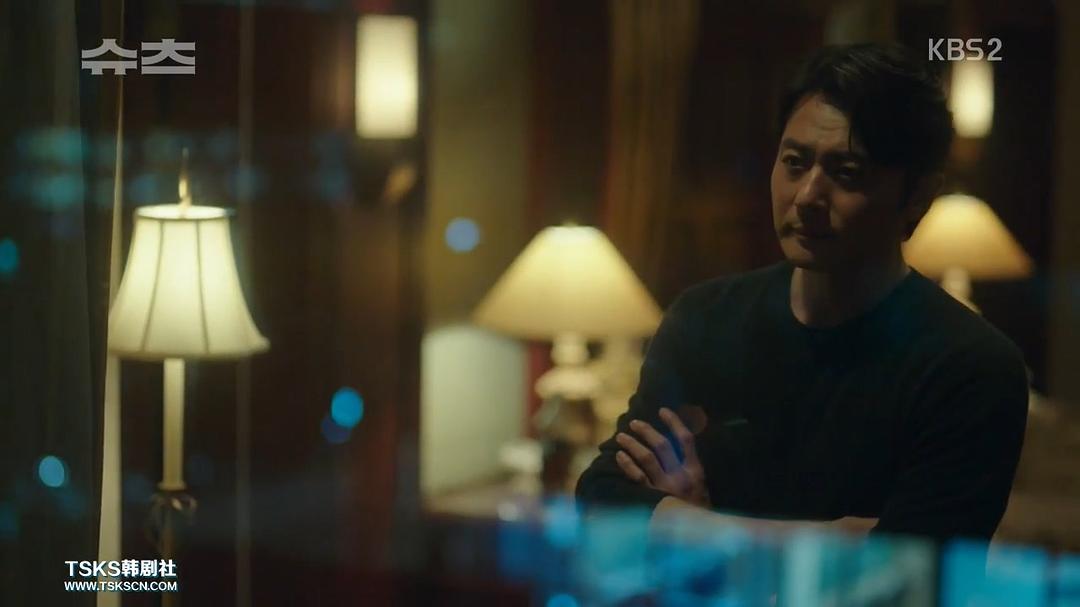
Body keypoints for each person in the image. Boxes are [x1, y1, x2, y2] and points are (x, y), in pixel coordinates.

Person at [574, 43, 1029, 542]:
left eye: (846, 173)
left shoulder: (971, 367)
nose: (808, 196)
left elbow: (912, 566)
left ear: (917, 197)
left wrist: (686, 523)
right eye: (794, 162)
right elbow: (602, 495)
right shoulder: (705, 319)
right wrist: (810, 538)